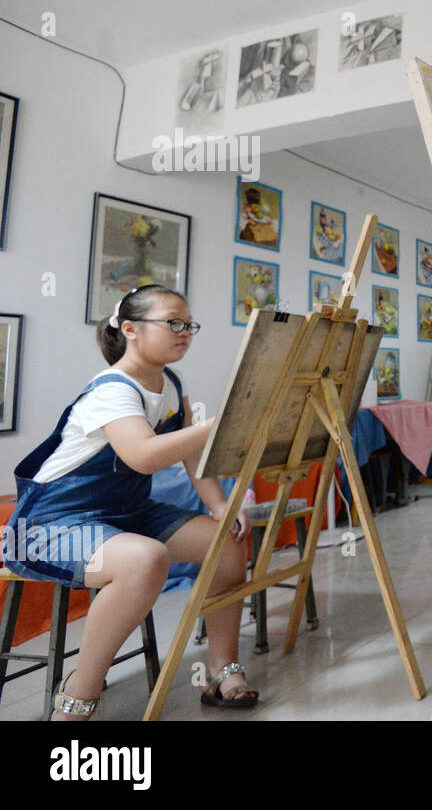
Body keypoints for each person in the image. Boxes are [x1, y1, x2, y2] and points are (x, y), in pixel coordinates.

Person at [3, 285, 258, 718]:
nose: (184, 332)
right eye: (172, 322)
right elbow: (143, 455)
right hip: (50, 524)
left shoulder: (170, 382)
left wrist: (218, 504)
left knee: (227, 545)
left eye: (188, 325)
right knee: (145, 559)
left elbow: (190, 451)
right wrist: (219, 422)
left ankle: (221, 670)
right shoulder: (112, 390)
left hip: (126, 514)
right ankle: (77, 695)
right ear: (130, 330)